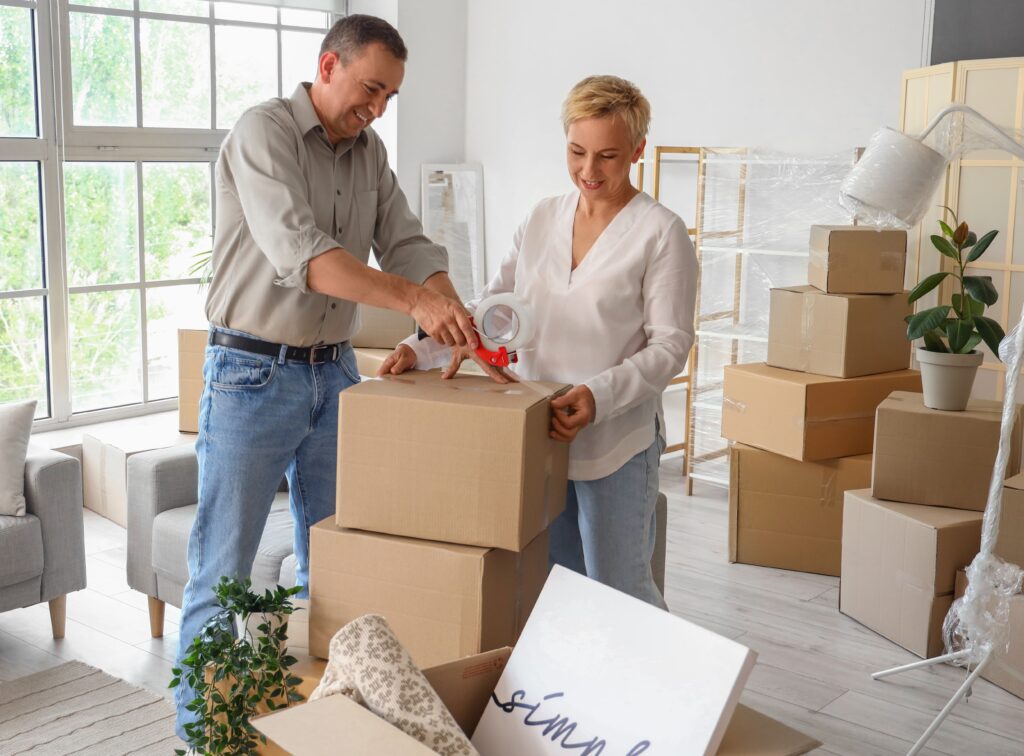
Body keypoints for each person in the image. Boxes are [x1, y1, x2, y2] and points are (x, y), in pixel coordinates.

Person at [173, 14, 496, 738]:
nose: (378, 108)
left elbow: (407, 241)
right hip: (251, 374)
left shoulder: (368, 153)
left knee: (339, 569)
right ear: (327, 67)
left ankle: (327, 735)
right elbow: (305, 255)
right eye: (370, 88)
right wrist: (414, 301)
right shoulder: (264, 134)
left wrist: (447, 303)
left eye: (390, 97)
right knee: (221, 571)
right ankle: (198, 739)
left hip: (336, 377)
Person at [380, 75, 697, 609]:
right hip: (537, 434)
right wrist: (422, 349)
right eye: (577, 152)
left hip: (616, 442)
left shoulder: (661, 233)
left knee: (622, 591)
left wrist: (596, 397)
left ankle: (661, 692)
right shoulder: (542, 218)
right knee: (559, 588)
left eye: (608, 156)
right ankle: (574, 693)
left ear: (639, 150)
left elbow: (670, 346)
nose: (589, 172)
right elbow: (492, 309)